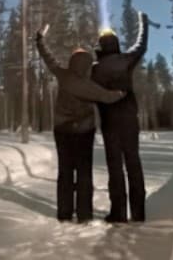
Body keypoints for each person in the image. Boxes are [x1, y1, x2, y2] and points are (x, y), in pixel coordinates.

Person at [34, 24, 126, 223]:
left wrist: (40, 40)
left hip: (62, 130)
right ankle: (84, 213)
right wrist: (122, 93)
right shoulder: (90, 85)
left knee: (65, 171)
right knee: (84, 172)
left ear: (72, 61)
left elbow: (47, 57)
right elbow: (108, 97)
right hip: (84, 131)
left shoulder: (62, 74)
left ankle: (64, 213)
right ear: (87, 64)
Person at [92, 11, 149, 223]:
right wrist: (143, 22)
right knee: (133, 163)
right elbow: (141, 45)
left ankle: (118, 212)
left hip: (109, 124)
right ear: (115, 43)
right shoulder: (125, 60)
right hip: (129, 121)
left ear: (100, 45)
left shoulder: (94, 70)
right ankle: (139, 213)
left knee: (115, 167)